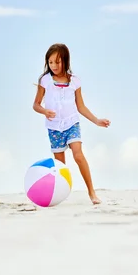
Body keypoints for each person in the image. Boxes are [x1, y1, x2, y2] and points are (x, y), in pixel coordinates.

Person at [32, 43, 110, 205]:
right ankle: (59, 195)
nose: (54, 66)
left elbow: (80, 106)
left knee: (78, 155)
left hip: (72, 123)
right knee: (60, 166)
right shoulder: (45, 80)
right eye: (51, 62)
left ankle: (92, 192)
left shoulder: (75, 81)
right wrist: (44, 111)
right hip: (54, 128)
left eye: (58, 62)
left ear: (65, 62)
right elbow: (36, 104)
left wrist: (96, 121)